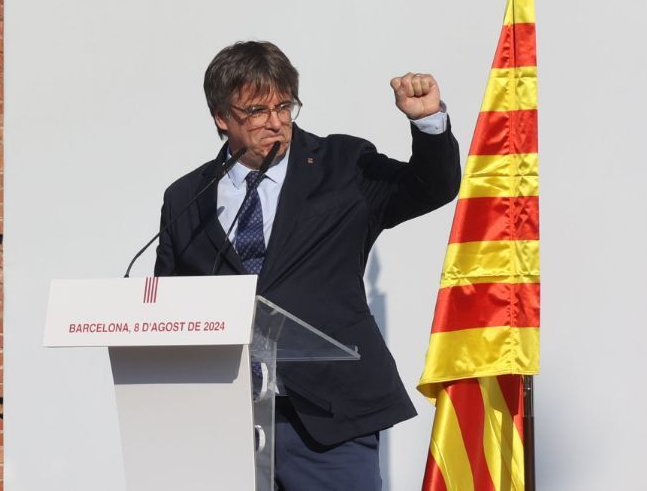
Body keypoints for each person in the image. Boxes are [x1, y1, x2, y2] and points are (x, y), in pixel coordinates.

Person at [154, 41, 460, 491]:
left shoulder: (343, 165)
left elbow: (431, 186)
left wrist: (428, 122)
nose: (275, 122)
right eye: (256, 111)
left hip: (329, 420)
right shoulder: (186, 198)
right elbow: (169, 306)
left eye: (284, 106)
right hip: (225, 424)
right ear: (222, 118)